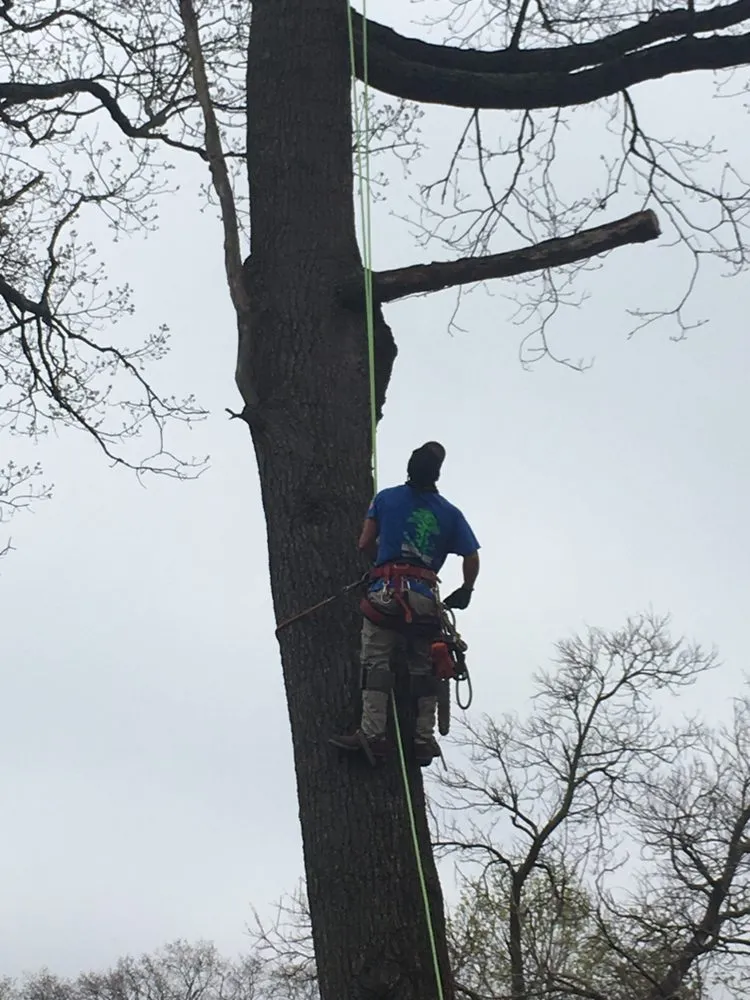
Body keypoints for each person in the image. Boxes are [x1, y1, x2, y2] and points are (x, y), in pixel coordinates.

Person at [329, 441, 480, 766]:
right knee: (422, 667)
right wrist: (466, 589)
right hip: (425, 599)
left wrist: (381, 564)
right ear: (436, 474)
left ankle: (372, 735)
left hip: (387, 593)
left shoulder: (386, 498)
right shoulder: (450, 513)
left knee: (376, 661)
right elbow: (471, 555)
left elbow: (365, 543)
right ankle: (423, 741)